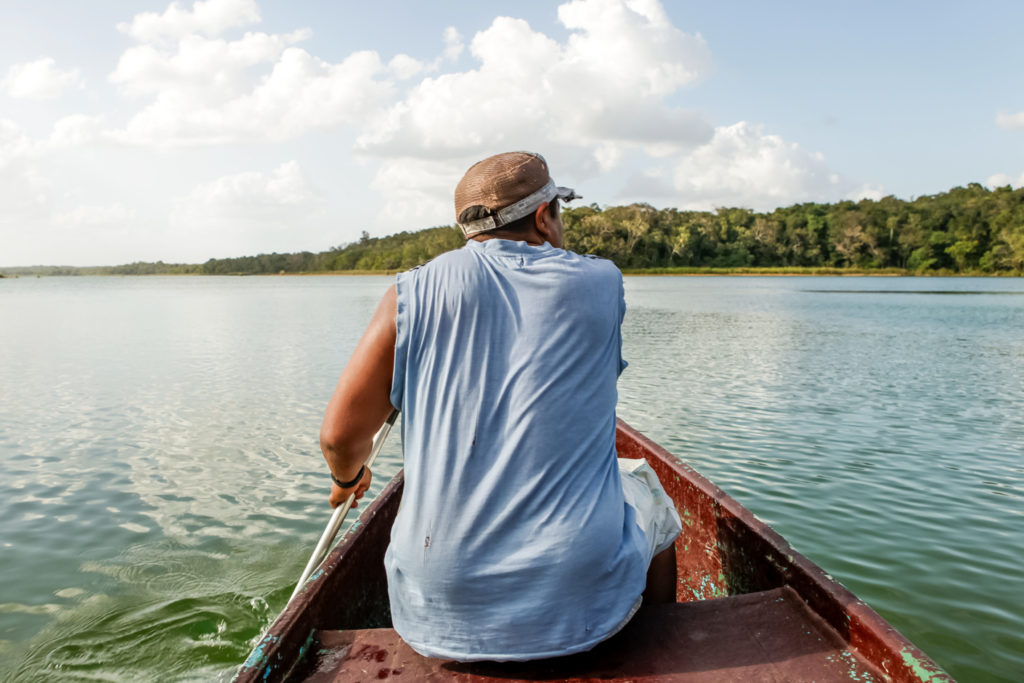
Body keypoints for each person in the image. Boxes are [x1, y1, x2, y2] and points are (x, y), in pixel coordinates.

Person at [319, 151, 682, 662]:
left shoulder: (407, 291)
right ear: (542, 216)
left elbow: (339, 438)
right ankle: (664, 651)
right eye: (560, 211)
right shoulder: (603, 282)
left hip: (435, 598)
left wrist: (346, 478)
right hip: (575, 587)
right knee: (649, 491)